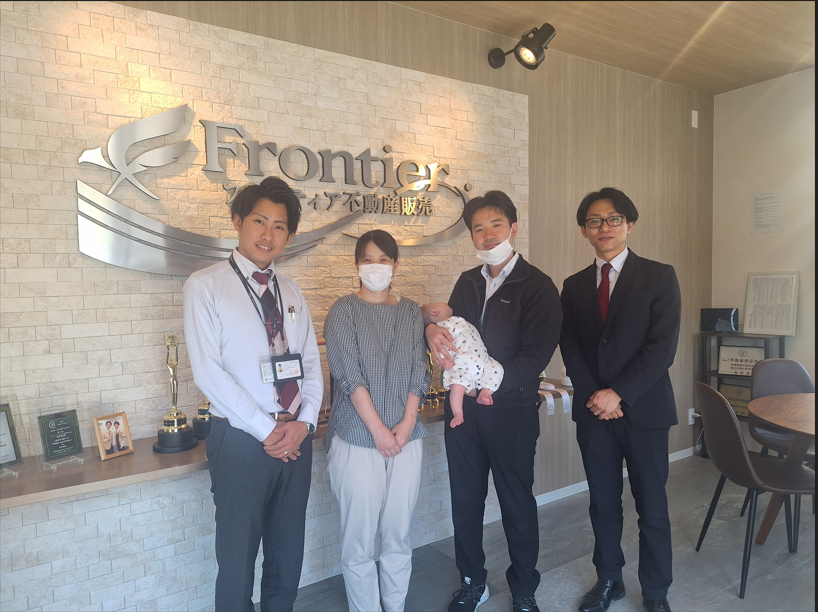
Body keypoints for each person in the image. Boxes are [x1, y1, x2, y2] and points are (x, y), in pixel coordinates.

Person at [183, 176, 323, 612]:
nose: (268, 234)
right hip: (242, 440)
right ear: (237, 221)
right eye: (259, 221)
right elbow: (209, 372)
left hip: (295, 439)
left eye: (279, 226)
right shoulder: (205, 285)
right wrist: (267, 430)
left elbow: (311, 364)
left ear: (289, 236)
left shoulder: (291, 291)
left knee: (287, 553)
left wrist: (305, 424)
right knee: (237, 560)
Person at [426, 191, 562, 612]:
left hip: (511, 412)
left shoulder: (537, 285)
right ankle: (472, 582)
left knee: (516, 501)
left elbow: (535, 355)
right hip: (464, 413)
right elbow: (451, 328)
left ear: (513, 229)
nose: (487, 236)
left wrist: (489, 385)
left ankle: (524, 589)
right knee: (465, 501)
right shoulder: (468, 281)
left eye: (495, 226)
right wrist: (429, 331)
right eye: (478, 229)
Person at [560, 188, 681, 612]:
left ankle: (656, 591)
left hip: (645, 410)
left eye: (613, 219)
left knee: (653, 507)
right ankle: (609, 580)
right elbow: (570, 346)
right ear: (584, 230)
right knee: (603, 504)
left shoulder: (659, 276)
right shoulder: (573, 286)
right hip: (594, 415)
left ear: (629, 224)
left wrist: (619, 393)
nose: (604, 227)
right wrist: (596, 396)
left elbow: (662, 347)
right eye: (595, 221)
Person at [324, 230, 430, 612]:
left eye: (384, 260)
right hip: (357, 438)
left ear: (395, 265)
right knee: (359, 538)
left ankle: (395, 605)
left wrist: (406, 423)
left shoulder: (410, 311)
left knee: (398, 533)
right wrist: (379, 431)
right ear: (356, 264)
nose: (376, 267)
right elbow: (348, 375)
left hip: (406, 438)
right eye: (368, 259)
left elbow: (420, 370)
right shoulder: (342, 311)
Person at [421, 302, 503, 427]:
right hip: (462, 363)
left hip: (482, 360)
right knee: (458, 386)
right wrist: (444, 361)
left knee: (497, 369)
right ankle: (458, 413)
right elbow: (440, 347)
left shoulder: (458, 319)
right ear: (434, 312)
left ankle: (484, 393)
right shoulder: (442, 327)